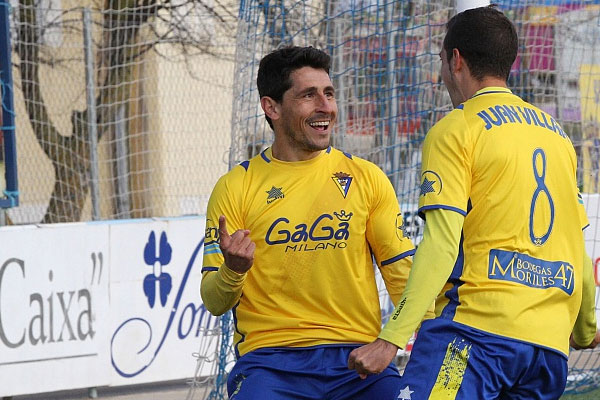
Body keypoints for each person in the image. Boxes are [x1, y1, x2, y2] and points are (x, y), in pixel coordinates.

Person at [348, 6, 600, 399]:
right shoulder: (560, 139)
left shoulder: (458, 128)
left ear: (456, 60)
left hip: (474, 340)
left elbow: (441, 244)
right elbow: (578, 254)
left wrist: (391, 338)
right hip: (547, 352)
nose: (440, 76)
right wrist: (584, 328)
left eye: (441, 63)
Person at [200, 46, 432, 399]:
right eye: (308, 96)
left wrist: (396, 344)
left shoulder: (366, 178)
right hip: (270, 363)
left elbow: (405, 282)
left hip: (355, 361)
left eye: (329, 93)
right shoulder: (235, 187)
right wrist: (233, 269)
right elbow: (214, 301)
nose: (326, 107)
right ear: (272, 107)